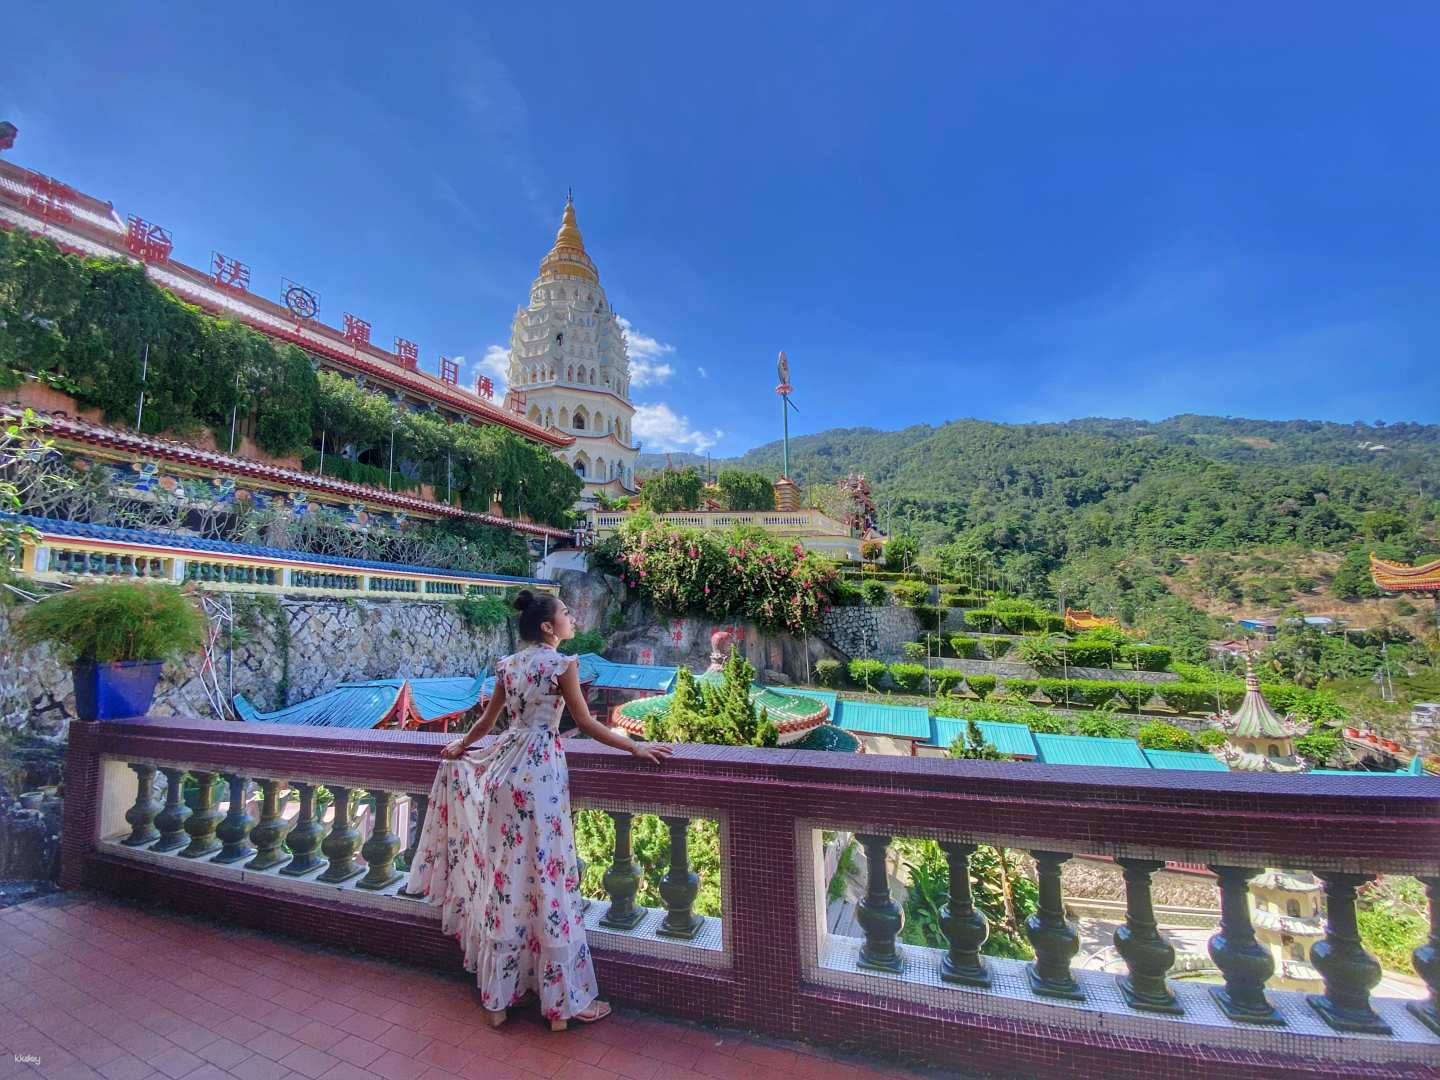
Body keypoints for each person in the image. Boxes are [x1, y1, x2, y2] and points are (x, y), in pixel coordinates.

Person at [406, 590, 671, 1031]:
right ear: (548, 627)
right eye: (565, 613)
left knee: (505, 879)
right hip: (541, 773)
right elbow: (585, 723)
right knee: (547, 876)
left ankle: (497, 999)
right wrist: (634, 747)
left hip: (503, 772)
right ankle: (560, 1002)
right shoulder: (562, 665)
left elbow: (487, 723)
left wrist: (460, 745)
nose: (571, 618)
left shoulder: (508, 666)